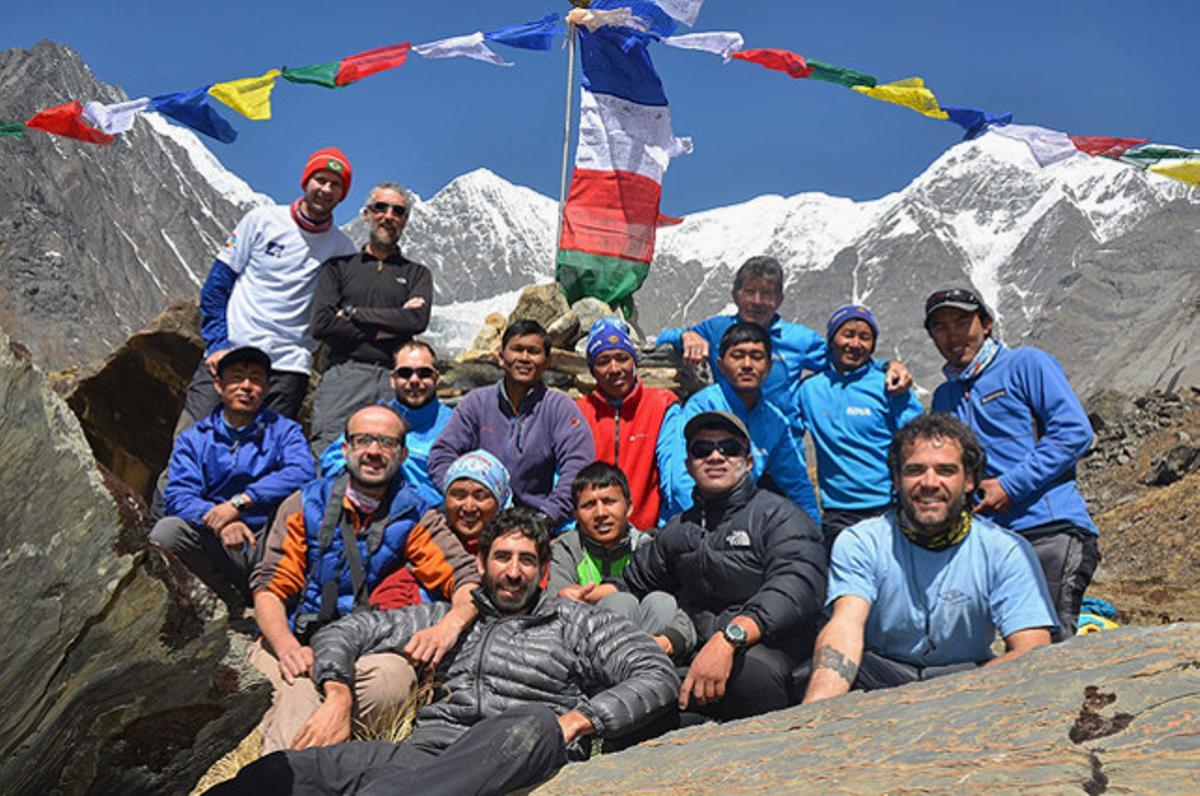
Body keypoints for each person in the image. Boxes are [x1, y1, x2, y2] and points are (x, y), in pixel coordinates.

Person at [210, 508, 681, 796]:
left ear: (542, 573)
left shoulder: (576, 622)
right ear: (480, 563)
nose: (513, 572)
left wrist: (579, 721)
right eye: (502, 557)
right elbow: (346, 631)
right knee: (281, 774)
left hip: (515, 753)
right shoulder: (443, 619)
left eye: (526, 561)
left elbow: (655, 673)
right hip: (426, 755)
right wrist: (338, 693)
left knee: (533, 723)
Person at [248, 405, 478, 755]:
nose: (373, 451)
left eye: (386, 442)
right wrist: (285, 646)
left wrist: (447, 627)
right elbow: (269, 588)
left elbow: (466, 581)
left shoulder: (415, 514)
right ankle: (287, 767)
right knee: (296, 691)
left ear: (402, 454)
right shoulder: (303, 504)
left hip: (367, 646)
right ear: (345, 449)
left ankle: (330, 736)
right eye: (363, 440)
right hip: (298, 638)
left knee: (391, 684)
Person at [802, 413, 1057, 703]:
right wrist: (816, 714)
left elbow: (1032, 649)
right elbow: (845, 626)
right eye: (915, 470)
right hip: (881, 672)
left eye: (946, 470)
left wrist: (940, 698)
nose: (930, 483)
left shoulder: (1006, 550)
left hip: (966, 677)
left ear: (970, 480)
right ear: (896, 480)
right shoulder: (861, 542)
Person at [617, 411, 826, 722]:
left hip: (771, 646)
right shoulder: (680, 529)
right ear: (688, 465)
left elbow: (797, 584)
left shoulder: (779, 516)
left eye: (729, 448)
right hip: (700, 649)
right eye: (702, 450)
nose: (716, 456)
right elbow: (634, 580)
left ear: (749, 461)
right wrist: (592, 595)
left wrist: (730, 638)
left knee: (752, 675)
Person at [925, 287, 1101, 638]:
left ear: (986, 324)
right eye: (940, 327)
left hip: (1051, 530)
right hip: (991, 540)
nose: (953, 334)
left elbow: (1074, 432)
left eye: (962, 321)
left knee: (1050, 640)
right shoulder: (945, 396)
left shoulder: (1026, 364)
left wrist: (1010, 485)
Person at [185, 148, 357, 425]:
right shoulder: (261, 220)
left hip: (287, 368)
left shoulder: (344, 250)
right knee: (189, 443)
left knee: (261, 461)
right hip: (231, 353)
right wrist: (218, 343)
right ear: (306, 182)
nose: (326, 189)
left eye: (335, 184)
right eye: (320, 180)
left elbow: (343, 311)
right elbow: (217, 284)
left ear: (343, 193)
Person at [656, 255, 911, 427]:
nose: (757, 301)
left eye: (767, 294)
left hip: (783, 445)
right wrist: (684, 336)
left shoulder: (800, 339)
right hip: (730, 442)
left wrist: (887, 367)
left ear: (779, 300)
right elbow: (662, 340)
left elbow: (845, 362)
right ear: (735, 295)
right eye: (750, 292)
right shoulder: (716, 329)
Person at [150, 346, 314, 605]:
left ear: (267, 388)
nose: (246, 386)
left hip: (268, 537)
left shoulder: (285, 431)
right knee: (166, 532)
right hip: (218, 538)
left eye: (256, 379)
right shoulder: (193, 439)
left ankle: (282, 597)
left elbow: (302, 473)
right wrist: (220, 520)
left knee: (307, 509)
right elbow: (179, 495)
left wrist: (241, 502)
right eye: (237, 377)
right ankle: (226, 598)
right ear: (218, 385)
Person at [428, 319, 594, 528]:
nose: (524, 358)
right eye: (517, 349)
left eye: (533, 351)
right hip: (477, 520)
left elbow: (579, 465)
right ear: (501, 357)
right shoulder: (477, 403)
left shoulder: (558, 407)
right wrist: (462, 498)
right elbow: (442, 453)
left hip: (536, 521)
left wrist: (548, 516)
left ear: (547, 361)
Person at [309, 182, 433, 453]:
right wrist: (390, 326)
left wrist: (354, 314)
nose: (389, 216)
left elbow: (416, 322)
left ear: (405, 221)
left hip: (394, 380)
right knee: (329, 451)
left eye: (398, 211)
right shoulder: (338, 268)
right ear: (366, 214)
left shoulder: (417, 274)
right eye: (381, 208)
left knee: (390, 457)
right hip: (344, 375)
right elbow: (322, 324)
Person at [798, 304, 924, 552]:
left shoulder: (890, 386)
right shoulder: (808, 390)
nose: (855, 344)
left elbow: (919, 439)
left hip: (891, 508)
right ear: (832, 338)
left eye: (864, 337)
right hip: (837, 514)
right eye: (848, 334)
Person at [667, 322, 819, 523]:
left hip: (740, 525)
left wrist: (814, 533)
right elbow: (680, 482)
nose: (747, 365)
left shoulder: (774, 420)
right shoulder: (702, 406)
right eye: (737, 356)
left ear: (769, 366)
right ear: (720, 365)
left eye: (757, 357)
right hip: (692, 522)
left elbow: (797, 484)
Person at [547, 462, 696, 660]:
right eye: (589, 505)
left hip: (655, 653)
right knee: (620, 603)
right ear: (575, 514)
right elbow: (553, 614)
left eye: (609, 501)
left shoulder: (649, 547)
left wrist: (669, 641)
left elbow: (687, 613)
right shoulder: (566, 548)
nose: (600, 514)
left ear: (629, 507)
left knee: (662, 601)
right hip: (589, 656)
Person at [367, 448, 510, 611]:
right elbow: (390, 596)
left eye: (480, 496)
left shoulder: (515, 547)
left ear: (499, 501)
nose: (469, 507)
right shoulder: (429, 543)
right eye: (458, 495)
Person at [318, 340, 451, 509]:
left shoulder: (455, 423)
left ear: (436, 378)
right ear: (392, 379)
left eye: (424, 373)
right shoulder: (374, 416)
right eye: (405, 373)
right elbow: (331, 461)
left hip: (431, 513)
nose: (414, 380)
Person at [576, 317, 681, 529]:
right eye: (603, 361)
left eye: (622, 358)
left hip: (648, 535)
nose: (614, 369)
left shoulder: (662, 405)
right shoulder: (578, 412)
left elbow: (672, 474)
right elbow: (568, 474)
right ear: (592, 369)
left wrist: (668, 527)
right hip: (591, 534)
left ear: (634, 362)